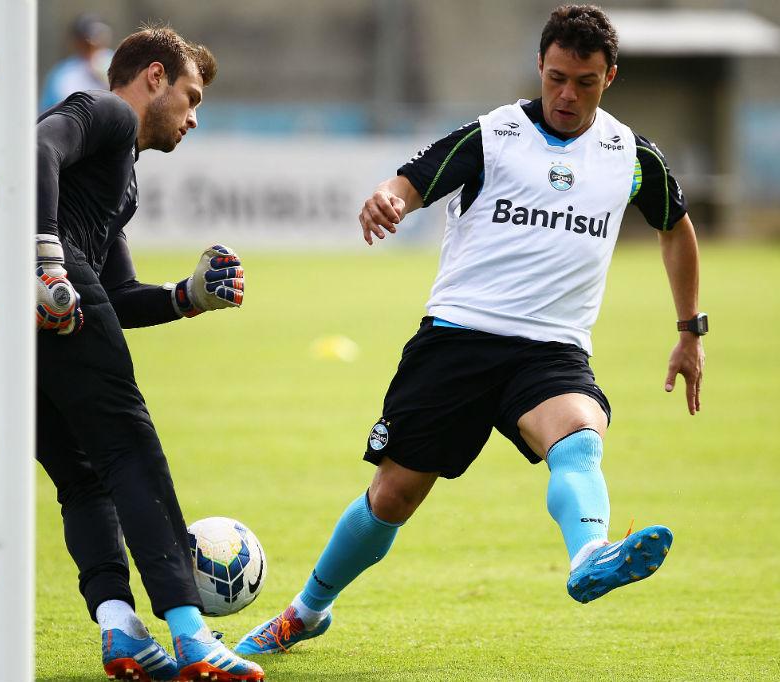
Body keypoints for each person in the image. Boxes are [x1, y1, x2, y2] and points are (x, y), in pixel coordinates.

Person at [235, 4, 707, 656]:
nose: (567, 95)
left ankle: (589, 555)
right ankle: (309, 609)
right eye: (557, 77)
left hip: (552, 348)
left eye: (586, 82)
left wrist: (690, 330)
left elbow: (675, 227)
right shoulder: (493, 137)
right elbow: (412, 181)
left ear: (611, 77)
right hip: (459, 337)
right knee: (393, 496)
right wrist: (389, 199)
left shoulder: (630, 155)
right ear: (540, 67)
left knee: (578, 437)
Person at [0, 25, 264, 682]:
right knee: (129, 446)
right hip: (20, 268)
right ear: (155, 78)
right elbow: (34, 149)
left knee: (81, 472)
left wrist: (187, 296)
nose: (194, 118)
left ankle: (121, 630)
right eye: (191, 98)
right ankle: (192, 635)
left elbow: (115, 292)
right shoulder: (103, 109)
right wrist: (46, 260)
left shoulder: (120, 181)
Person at [40, 14, 115, 112]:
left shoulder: (119, 62)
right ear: (77, 41)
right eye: (86, 40)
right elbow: (48, 110)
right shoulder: (62, 74)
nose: (92, 43)